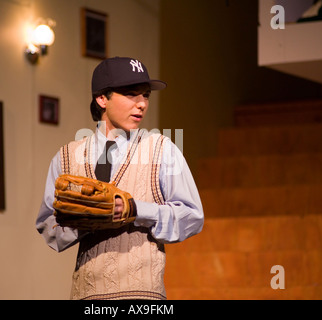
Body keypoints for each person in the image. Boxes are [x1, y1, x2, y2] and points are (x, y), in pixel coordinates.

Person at [36, 56, 204, 300]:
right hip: (87, 297)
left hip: (142, 299)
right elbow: (48, 228)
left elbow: (192, 216)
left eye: (145, 95)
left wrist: (136, 209)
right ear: (102, 98)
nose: (142, 104)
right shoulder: (67, 157)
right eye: (131, 94)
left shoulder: (162, 149)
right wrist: (85, 220)